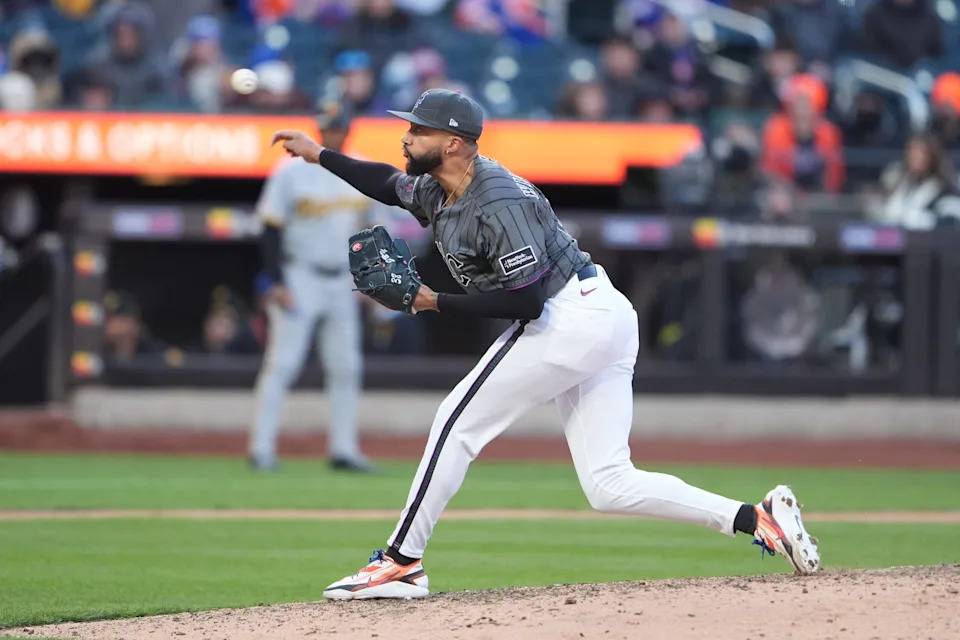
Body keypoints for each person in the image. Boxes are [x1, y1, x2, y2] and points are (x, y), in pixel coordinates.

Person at [271, 88, 822, 600]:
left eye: (419, 129)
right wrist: (319, 154)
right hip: (597, 312)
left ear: (454, 142)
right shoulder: (441, 187)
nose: (407, 136)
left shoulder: (497, 200)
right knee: (609, 483)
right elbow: (387, 183)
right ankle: (757, 517)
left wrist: (430, 301)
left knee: (455, 422)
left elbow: (527, 303)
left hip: (570, 315)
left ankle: (401, 561)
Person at [248, 104, 375, 473]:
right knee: (283, 363)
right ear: (319, 130)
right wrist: (273, 280)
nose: (334, 132)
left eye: (339, 126)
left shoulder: (359, 169)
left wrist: (369, 278)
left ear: (348, 129)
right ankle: (261, 448)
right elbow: (270, 228)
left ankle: (344, 449)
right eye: (328, 127)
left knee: (346, 367)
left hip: (342, 280)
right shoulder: (291, 172)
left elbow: (372, 229)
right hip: (300, 276)